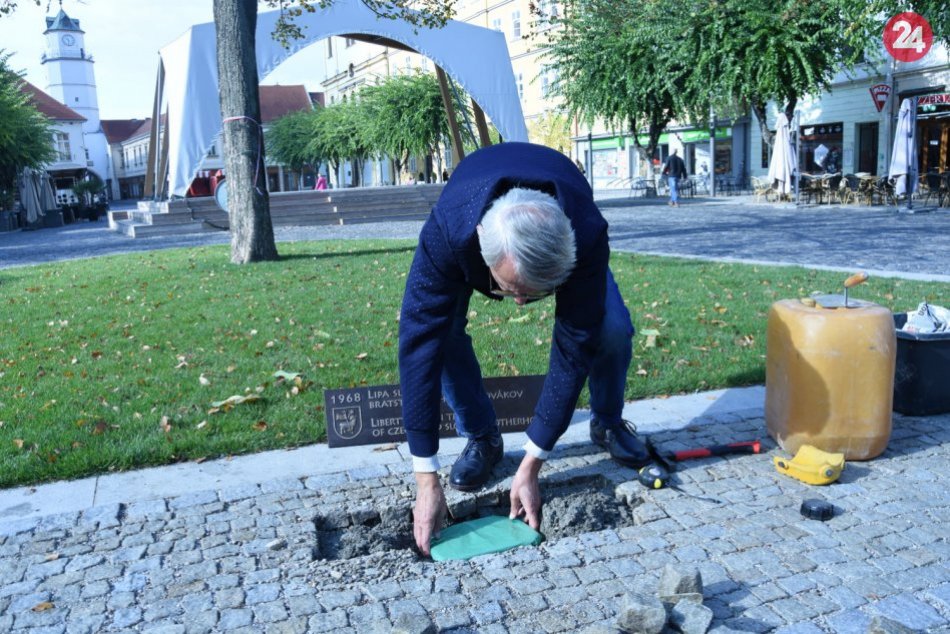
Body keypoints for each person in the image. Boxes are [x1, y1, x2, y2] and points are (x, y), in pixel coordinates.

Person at [398, 142, 649, 556]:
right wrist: (426, 476)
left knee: (611, 328)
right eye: (511, 290)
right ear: (480, 245)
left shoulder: (586, 235)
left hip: (562, 220)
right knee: (441, 337)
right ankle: (482, 437)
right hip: (470, 208)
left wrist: (533, 461)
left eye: (535, 295)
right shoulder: (450, 228)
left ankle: (608, 421)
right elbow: (418, 341)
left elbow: (574, 347)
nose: (518, 304)